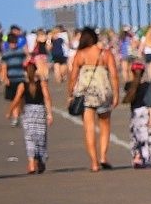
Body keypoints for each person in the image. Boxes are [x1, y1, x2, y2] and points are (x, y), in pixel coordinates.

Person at [65, 27, 121, 170]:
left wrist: (70, 94)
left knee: (89, 128)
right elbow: (114, 76)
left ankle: (94, 162)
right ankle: (103, 156)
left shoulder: (80, 55)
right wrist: (116, 95)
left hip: (85, 94)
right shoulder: (105, 54)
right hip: (103, 92)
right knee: (105, 126)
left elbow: (73, 77)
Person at [9, 49, 52, 172]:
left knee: (30, 138)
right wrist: (49, 114)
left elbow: (17, 99)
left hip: (28, 112)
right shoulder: (41, 83)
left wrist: (10, 111)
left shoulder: (23, 84)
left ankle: (31, 163)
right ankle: (41, 159)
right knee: (41, 138)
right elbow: (47, 98)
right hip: (40, 111)